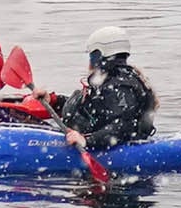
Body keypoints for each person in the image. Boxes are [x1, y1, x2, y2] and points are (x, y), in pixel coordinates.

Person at [49, 22, 156, 152]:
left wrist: (86, 141)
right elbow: (90, 110)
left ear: (99, 55)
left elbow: (123, 125)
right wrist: (54, 101)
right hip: (98, 138)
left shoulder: (121, 86)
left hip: (118, 149)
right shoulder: (110, 80)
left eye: (92, 55)